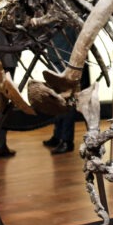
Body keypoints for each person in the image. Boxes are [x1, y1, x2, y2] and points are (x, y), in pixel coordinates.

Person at [41, 27, 79, 155]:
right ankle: (57, 136)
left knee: (67, 101)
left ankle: (67, 140)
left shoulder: (68, 18)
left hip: (67, 62)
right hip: (55, 60)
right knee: (56, 99)